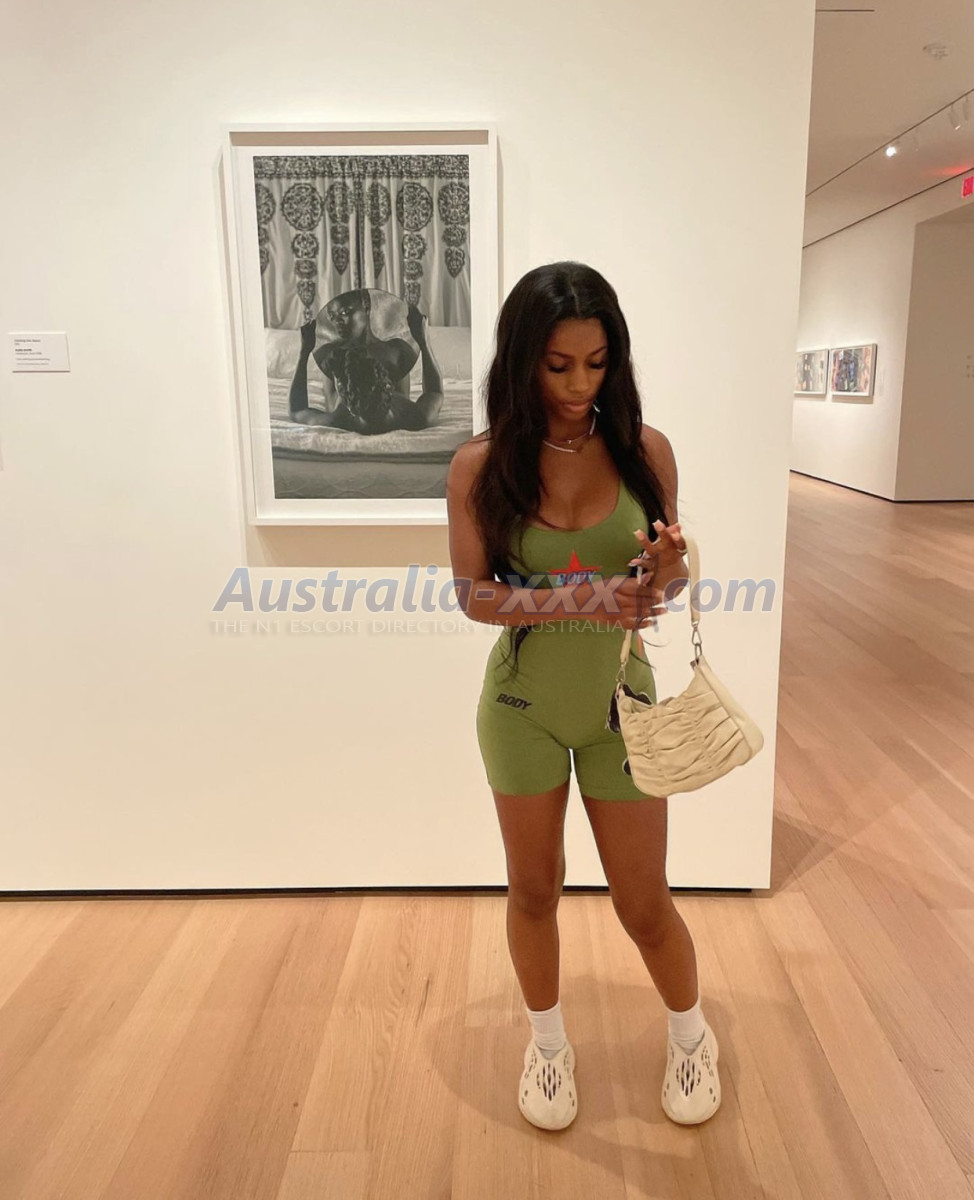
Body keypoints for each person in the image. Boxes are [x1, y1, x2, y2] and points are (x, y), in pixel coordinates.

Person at [445, 261, 721, 1130]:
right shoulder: (480, 464)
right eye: (557, 365)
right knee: (534, 890)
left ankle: (691, 1037)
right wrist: (584, 598)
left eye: (597, 364)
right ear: (521, 359)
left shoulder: (645, 450)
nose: (577, 386)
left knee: (644, 902)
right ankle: (548, 1046)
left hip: (621, 708)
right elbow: (473, 595)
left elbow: (662, 586)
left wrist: (667, 567)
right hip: (520, 710)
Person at [288, 287, 444, 434]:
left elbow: (297, 410)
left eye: (345, 312)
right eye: (333, 316)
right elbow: (435, 392)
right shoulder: (417, 418)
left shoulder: (339, 420)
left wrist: (303, 353)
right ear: (387, 385)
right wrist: (424, 342)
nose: (337, 321)